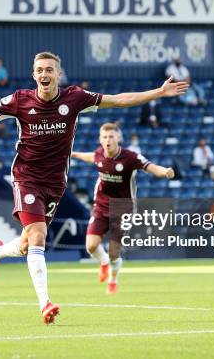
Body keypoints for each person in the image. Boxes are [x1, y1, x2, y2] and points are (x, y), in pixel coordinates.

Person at [0, 51, 188, 324]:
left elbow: (118, 100)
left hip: (55, 184)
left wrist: (158, 92)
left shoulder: (75, 98)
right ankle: (45, 303)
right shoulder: (19, 100)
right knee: (38, 237)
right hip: (26, 177)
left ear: (58, 74)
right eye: (39, 70)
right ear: (33, 74)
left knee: (29, 243)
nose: (44, 74)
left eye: (49, 69)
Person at [71, 123, 174, 294]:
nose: (108, 140)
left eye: (111, 136)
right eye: (104, 137)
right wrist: (73, 154)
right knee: (91, 246)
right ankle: (103, 263)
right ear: (100, 139)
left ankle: (113, 279)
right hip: (101, 206)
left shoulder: (130, 157)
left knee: (114, 252)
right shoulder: (98, 154)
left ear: (118, 138)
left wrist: (165, 172)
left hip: (123, 209)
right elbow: (90, 157)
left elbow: (150, 166)